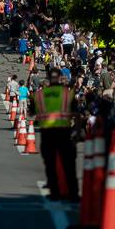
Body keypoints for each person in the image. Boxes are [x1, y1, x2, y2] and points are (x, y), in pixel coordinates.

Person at [33, 67, 79, 201]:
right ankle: (73, 193)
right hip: (64, 133)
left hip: (47, 134)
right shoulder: (67, 94)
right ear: (60, 78)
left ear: (48, 78)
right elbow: (76, 115)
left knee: (50, 165)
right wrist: (77, 131)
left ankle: (55, 193)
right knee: (69, 164)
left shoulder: (40, 95)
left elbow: (32, 113)